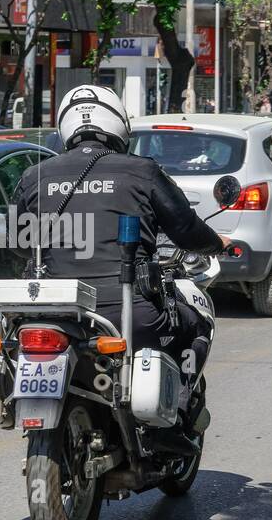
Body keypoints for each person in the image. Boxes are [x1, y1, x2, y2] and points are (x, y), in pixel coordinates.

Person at [12, 85, 230, 375]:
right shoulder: (142, 171)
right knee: (196, 322)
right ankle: (179, 407)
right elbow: (186, 229)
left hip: (56, 311)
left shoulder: (33, 175)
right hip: (131, 311)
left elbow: (17, 241)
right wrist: (217, 244)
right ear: (118, 122)